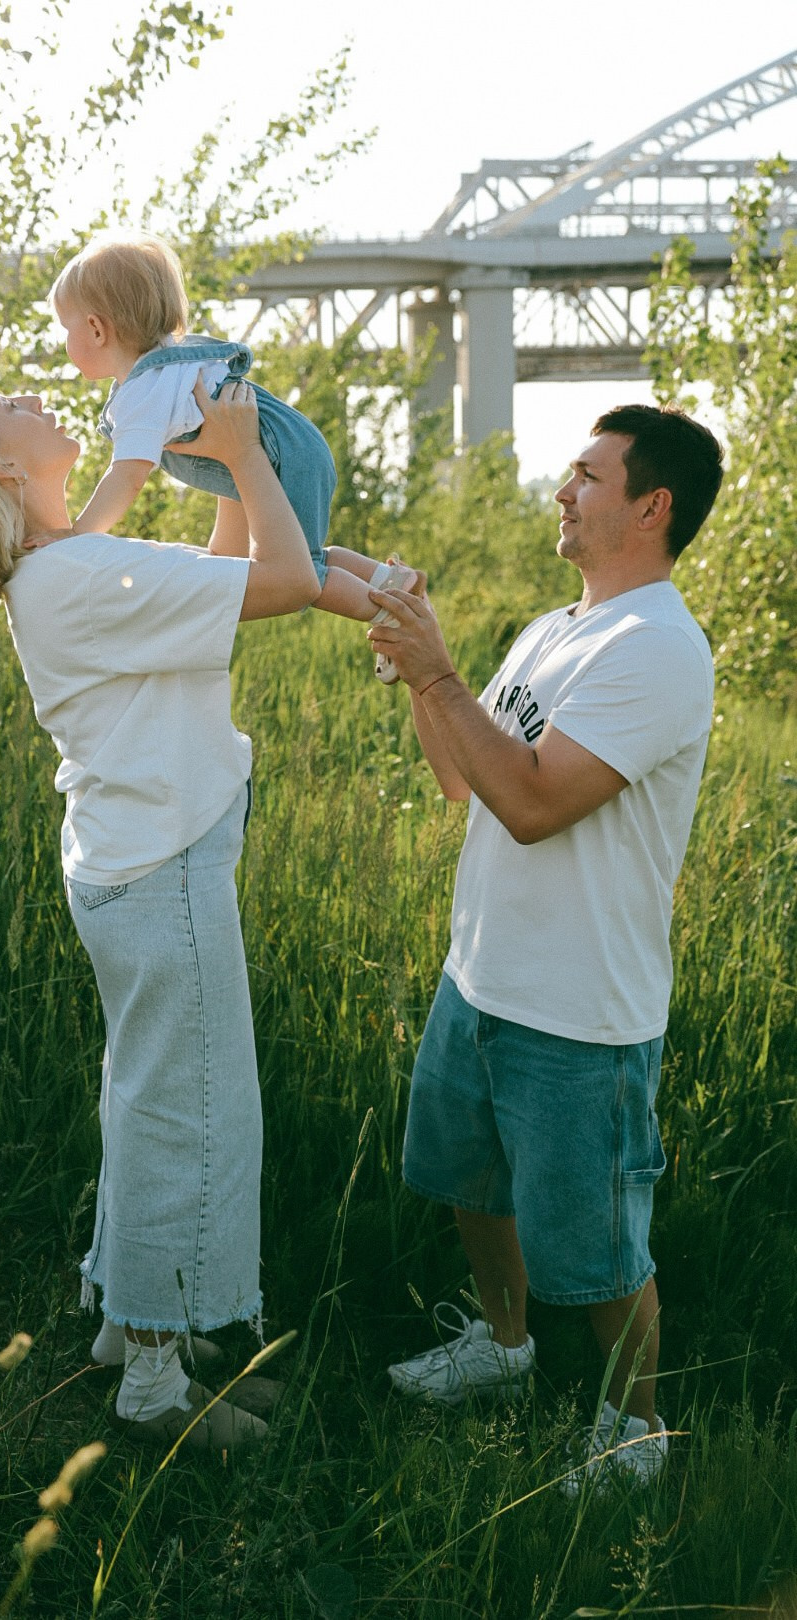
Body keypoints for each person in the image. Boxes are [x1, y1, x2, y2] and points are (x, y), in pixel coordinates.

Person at [0, 368, 319, 1452]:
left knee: (149, 1102)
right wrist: (253, 459)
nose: (38, 396)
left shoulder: (70, 569)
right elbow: (291, 579)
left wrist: (221, 466)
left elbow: (225, 576)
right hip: (161, 870)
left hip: (141, 863)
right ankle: (156, 1389)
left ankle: (136, 1331)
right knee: (191, 1113)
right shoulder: (75, 574)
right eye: (10, 405)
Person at [368, 403, 724, 1494]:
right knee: (471, 1181)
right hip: (483, 974)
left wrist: (438, 676)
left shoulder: (658, 647)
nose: (561, 491)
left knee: (603, 1252)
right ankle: (505, 1351)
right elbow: (464, 779)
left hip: (580, 1012)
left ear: (650, 507)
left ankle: (631, 1440)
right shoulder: (551, 629)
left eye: (587, 476)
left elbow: (531, 807)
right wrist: (415, 663)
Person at [48, 229, 415, 677]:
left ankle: (393, 616)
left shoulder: (143, 393)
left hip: (279, 457)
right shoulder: (170, 364)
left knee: (306, 577)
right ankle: (391, 581)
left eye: (65, 329)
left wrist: (78, 536)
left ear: (96, 328)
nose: (63, 343)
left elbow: (127, 476)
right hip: (291, 445)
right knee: (302, 551)